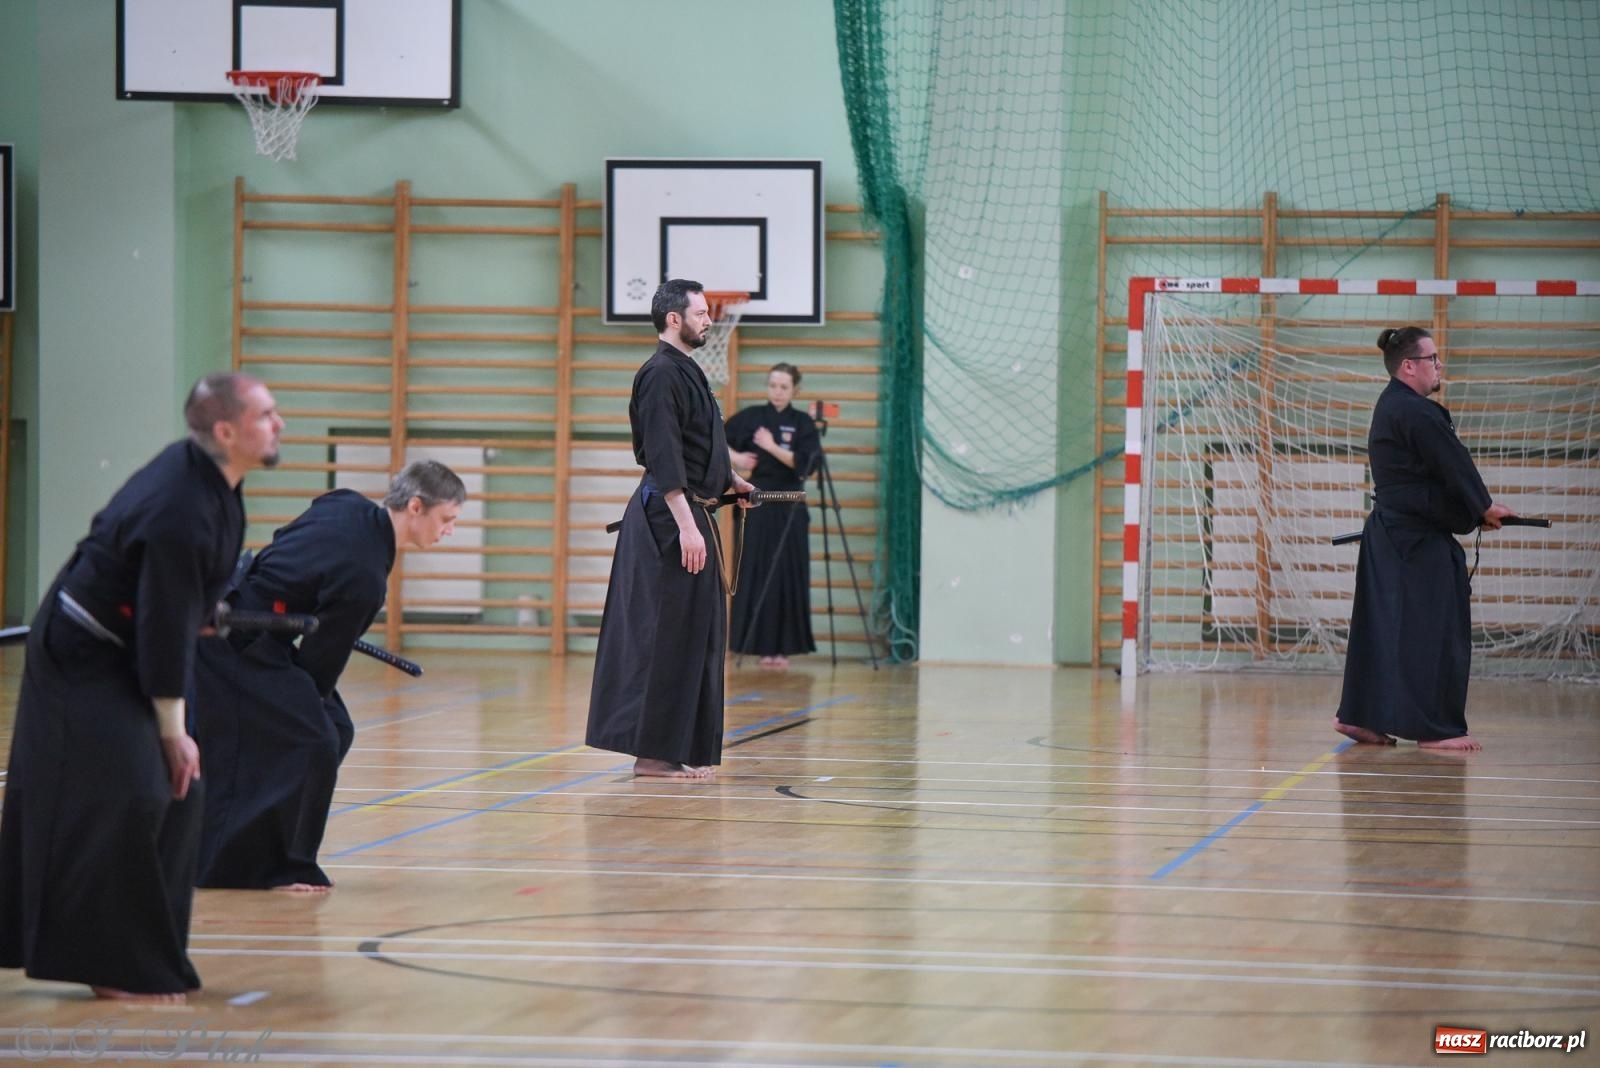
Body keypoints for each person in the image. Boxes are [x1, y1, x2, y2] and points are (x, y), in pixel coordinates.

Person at [0, 373, 283, 1002]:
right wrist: (174, 733)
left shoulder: (218, 487)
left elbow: (180, 600)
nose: (279, 424)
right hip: (80, 656)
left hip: (125, 650)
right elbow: (160, 629)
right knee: (136, 795)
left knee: (182, 797)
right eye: (267, 414)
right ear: (225, 430)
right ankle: (113, 967)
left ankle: (149, 957)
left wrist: (201, 613)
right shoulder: (181, 504)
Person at [191, 460, 466, 892]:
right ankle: (275, 867)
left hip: (254, 626)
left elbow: (286, 546)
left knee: (332, 727)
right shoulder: (365, 575)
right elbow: (319, 668)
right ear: (415, 506)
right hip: (230, 641)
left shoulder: (345, 504)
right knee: (315, 738)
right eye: (446, 519)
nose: (449, 530)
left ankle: (279, 856)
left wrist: (289, 608)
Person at [587, 279, 754, 779]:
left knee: (695, 634)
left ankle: (674, 749)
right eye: (701, 313)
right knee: (665, 634)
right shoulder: (660, 373)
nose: (709, 320)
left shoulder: (687, 371)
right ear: (674, 319)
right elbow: (662, 455)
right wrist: (687, 525)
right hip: (669, 521)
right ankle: (654, 755)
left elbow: (696, 444)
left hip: (690, 512)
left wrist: (730, 480)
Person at [1334, 327, 1516, 752]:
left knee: (1380, 629)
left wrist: (1473, 512)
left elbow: (1430, 478)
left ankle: (1358, 716)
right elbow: (1455, 466)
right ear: (1409, 366)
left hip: (1390, 538)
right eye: (1432, 359)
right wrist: (1483, 508)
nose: (1439, 366)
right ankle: (1434, 729)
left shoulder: (1391, 405)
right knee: (1436, 632)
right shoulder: (1416, 411)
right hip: (1414, 544)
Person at [726, 362, 820, 667]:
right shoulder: (752, 417)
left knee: (787, 574)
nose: (777, 392)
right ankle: (752, 645)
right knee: (755, 571)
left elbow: (807, 465)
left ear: (795, 390)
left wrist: (772, 446)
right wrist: (738, 456)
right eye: (773, 386)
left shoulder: (803, 423)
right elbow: (714, 442)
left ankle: (783, 648)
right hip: (757, 505)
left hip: (791, 506)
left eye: (783, 387)